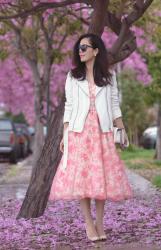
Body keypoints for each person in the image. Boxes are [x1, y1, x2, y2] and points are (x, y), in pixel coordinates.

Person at [49, 33, 133, 242]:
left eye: (85, 47)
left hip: (102, 132)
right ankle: (88, 223)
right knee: (84, 180)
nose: (81, 51)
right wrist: (64, 134)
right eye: (79, 47)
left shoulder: (109, 77)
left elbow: (114, 105)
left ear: (96, 51)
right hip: (79, 132)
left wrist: (122, 130)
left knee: (100, 179)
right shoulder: (72, 76)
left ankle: (100, 223)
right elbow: (68, 106)